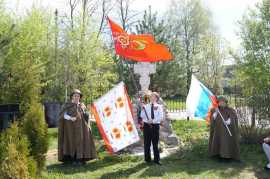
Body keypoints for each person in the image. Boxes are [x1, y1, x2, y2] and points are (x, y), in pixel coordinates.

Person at [58, 89, 97, 165]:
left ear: (80, 97)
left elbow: (86, 116)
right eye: (75, 96)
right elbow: (63, 115)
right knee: (72, 142)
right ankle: (72, 159)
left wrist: (86, 113)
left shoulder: (81, 105)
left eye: (78, 96)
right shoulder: (67, 105)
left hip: (81, 129)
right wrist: (70, 118)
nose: (76, 97)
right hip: (70, 129)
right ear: (72, 97)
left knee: (81, 142)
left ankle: (81, 159)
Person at [208, 96, 240, 161]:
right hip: (218, 131)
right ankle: (218, 155)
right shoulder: (214, 110)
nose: (221, 103)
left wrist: (229, 121)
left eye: (223, 102)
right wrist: (216, 113)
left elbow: (233, 117)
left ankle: (228, 156)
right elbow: (212, 119)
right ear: (218, 102)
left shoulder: (231, 110)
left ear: (226, 102)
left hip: (227, 132)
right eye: (220, 102)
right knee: (218, 142)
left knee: (226, 143)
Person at [140, 92, 164, 165]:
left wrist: (153, 121)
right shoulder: (146, 106)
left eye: (153, 97)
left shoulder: (159, 106)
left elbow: (160, 117)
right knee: (147, 143)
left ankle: (157, 160)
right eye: (151, 97)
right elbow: (142, 116)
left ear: (156, 98)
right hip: (147, 126)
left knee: (155, 143)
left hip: (155, 126)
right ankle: (147, 159)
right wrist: (142, 109)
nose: (151, 98)